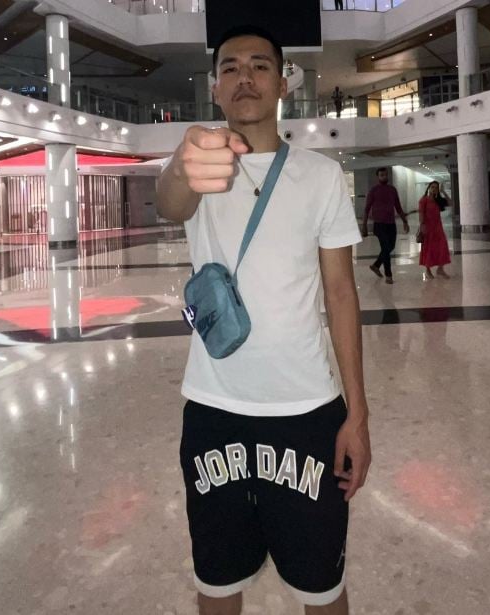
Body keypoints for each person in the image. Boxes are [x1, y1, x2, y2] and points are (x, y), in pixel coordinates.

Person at [157, 25, 371, 615]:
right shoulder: (200, 163)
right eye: (229, 67)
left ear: (283, 83)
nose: (244, 77)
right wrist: (181, 165)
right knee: (217, 582)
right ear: (215, 87)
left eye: (259, 65)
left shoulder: (320, 175)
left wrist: (357, 414)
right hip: (213, 409)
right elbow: (170, 202)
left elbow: (341, 294)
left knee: (321, 588)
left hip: (307, 411)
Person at [361, 167, 409, 285]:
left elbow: (398, 207)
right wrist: (364, 226)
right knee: (386, 248)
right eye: (381, 175)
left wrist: (405, 221)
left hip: (391, 224)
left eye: (385, 175)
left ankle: (376, 265)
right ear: (378, 177)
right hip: (379, 225)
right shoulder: (374, 190)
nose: (384, 177)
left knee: (390, 247)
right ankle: (389, 275)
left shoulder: (392, 190)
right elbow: (366, 209)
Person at [418, 181, 451, 279]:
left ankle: (440, 269)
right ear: (428, 188)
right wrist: (422, 226)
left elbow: (450, 203)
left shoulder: (438, 200)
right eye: (432, 187)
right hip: (428, 228)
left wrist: (443, 191)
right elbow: (421, 213)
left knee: (442, 247)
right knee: (429, 248)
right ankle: (428, 270)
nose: (434, 189)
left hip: (438, 228)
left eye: (436, 188)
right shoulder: (423, 200)